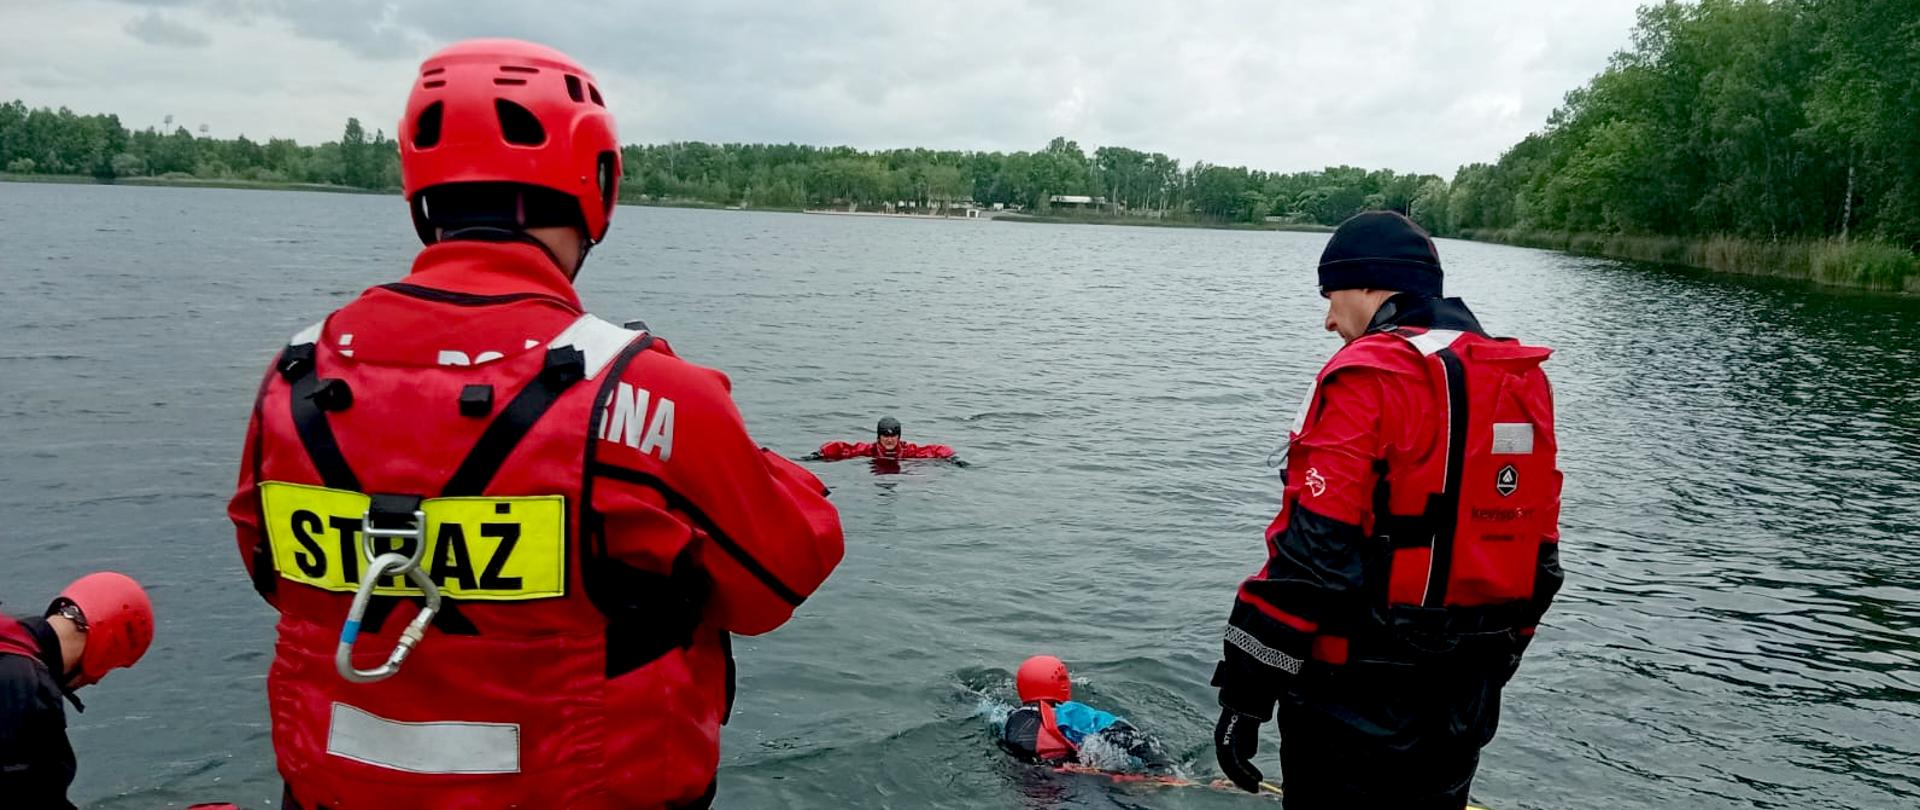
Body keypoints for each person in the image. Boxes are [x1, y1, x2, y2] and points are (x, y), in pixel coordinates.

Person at [227, 39, 844, 809]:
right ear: (599, 184)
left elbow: (267, 567)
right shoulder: (649, 391)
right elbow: (783, 576)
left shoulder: (295, 373)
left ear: (419, 190)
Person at [1210, 211, 1564, 808]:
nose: (1328, 320)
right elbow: (1541, 551)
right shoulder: (1518, 377)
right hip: (1464, 692)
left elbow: (1312, 557)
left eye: (1332, 295)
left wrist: (1246, 695)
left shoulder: (1367, 375)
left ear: (1373, 285)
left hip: (1353, 694)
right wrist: (1496, 661)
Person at [0, 572, 155, 810]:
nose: (96, 681)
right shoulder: (34, 692)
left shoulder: (10, 637)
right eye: (110, 667)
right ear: (106, 648)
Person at [999, 655, 1170, 773]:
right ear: (1062, 684)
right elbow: (1122, 733)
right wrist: (1160, 766)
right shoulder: (1067, 713)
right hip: (1071, 780)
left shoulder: (1010, 719)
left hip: (1026, 781)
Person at [806, 416, 962, 462]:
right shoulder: (869, 450)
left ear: (899, 437)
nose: (889, 440)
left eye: (893, 435)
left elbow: (934, 450)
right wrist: (821, 454)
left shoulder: (908, 451)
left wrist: (952, 457)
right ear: (878, 437)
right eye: (885, 436)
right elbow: (843, 447)